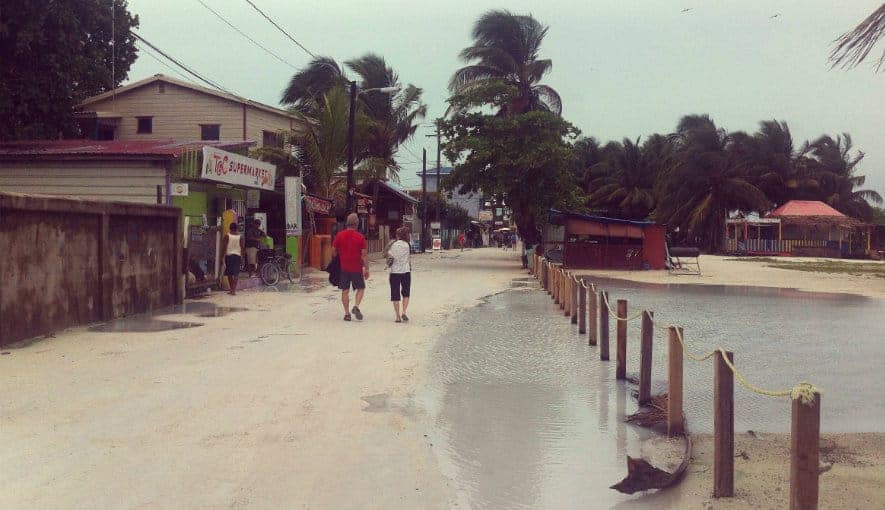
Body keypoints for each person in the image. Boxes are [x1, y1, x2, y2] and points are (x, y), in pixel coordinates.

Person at [332, 213, 369, 321]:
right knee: (361, 288)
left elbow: (333, 251)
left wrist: (337, 256)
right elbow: (364, 255)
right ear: (357, 224)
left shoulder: (339, 235)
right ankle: (356, 306)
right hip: (356, 267)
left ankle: (347, 314)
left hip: (344, 267)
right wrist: (367, 269)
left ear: (347, 224)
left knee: (345, 290)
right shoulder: (360, 237)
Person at [388, 226, 412, 323]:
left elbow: (388, 255)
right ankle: (404, 312)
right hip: (406, 271)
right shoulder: (407, 245)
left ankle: (397, 316)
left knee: (395, 294)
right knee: (406, 293)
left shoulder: (392, 245)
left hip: (394, 272)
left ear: (398, 235)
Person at [221, 223, 245, 295]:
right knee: (236, 273)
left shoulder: (227, 236)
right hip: (237, 256)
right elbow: (242, 248)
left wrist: (221, 257)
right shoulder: (241, 237)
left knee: (229, 273)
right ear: (237, 228)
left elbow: (224, 247)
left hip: (229, 256)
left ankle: (232, 289)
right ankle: (233, 290)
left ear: (230, 228)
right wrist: (242, 257)